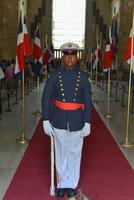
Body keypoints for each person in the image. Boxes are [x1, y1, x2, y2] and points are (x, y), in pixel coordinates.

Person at [42, 42, 92, 198]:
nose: (70, 59)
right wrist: (45, 119)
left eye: (73, 56)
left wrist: (87, 122)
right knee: (61, 153)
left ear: (76, 58)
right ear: (63, 58)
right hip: (59, 119)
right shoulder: (55, 75)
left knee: (75, 153)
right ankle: (62, 183)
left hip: (77, 120)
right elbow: (46, 98)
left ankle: (72, 184)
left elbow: (88, 101)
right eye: (67, 56)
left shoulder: (83, 77)